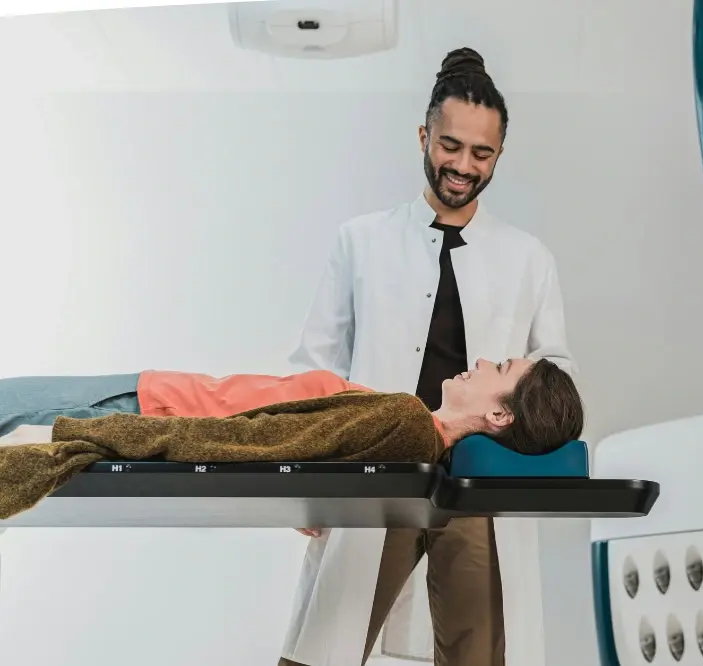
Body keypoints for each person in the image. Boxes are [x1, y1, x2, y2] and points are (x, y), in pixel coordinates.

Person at [281, 47, 576, 666]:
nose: (463, 165)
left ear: (499, 153)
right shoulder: (361, 241)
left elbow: (555, 379)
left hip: (476, 487)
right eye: (450, 145)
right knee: (323, 647)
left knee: (479, 653)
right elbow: (316, 367)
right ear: (424, 135)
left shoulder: (529, 257)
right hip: (378, 474)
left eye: (482, 153)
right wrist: (304, 482)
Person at [0, 357, 584, 521]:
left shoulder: (406, 424)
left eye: (501, 369)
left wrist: (107, 435)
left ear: (501, 417)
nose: (482, 361)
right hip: (164, 399)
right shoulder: (409, 434)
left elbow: (256, 444)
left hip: (157, 405)